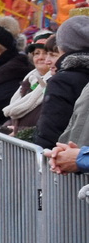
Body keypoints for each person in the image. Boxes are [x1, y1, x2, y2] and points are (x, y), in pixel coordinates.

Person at [34, 16, 89, 149]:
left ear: (63, 46)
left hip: (64, 155)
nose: (46, 60)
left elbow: (50, 130)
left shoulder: (62, 80)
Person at [4, 37, 57, 133]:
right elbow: (16, 116)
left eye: (45, 53)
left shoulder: (56, 83)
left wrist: (19, 132)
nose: (40, 57)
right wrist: (5, 129)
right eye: (36, 53)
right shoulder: (29, 80)